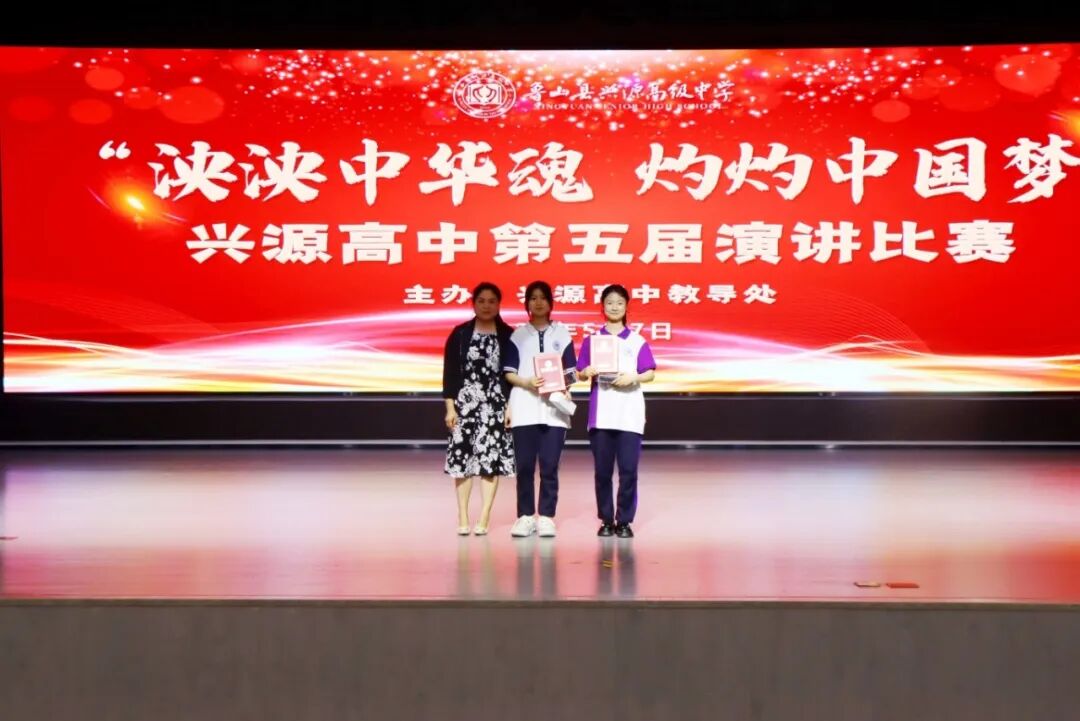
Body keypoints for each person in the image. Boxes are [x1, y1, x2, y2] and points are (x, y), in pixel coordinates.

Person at [576, 284, 656, 538]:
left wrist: (634, 377)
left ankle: (624, 521)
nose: (614, 307)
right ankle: (606, 520)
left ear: (626, 307)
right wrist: (585, 372)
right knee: (602, 472)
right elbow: (579, 372)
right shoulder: (592, 341)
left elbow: (650, 372)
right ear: (602, 306)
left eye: (619, 303)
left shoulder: (637, 341)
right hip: (601, 416)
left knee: (628, 471)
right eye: (609, 302)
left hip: (629, 414)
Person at [503, 281, 577, 538]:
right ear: (527, 303)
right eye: (533, 298)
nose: (538, 302)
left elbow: (571, 372)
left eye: (543, 297)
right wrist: (526, 383)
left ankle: (546, 517)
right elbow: (509, 373)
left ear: (550, 302)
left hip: (554, 410)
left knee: (549, 465)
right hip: (524, 406)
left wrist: (564, 385)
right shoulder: (518, 335)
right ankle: (525, 516)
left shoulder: (562, 334)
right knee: (524, 465)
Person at [442, 282, 516, 536]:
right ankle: (463, 515)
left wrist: (510, 406)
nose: (486, 306)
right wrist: (450, 408)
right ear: (473, 303)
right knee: (463, 461)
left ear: (499, 304)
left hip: (495, 405)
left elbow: (511, 375)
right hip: (465, 405)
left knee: (489, 460)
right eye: (481, 301)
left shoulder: (508, 334)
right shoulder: (461, 333)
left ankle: (484, 516)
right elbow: (450, 373)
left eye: (492, 301)